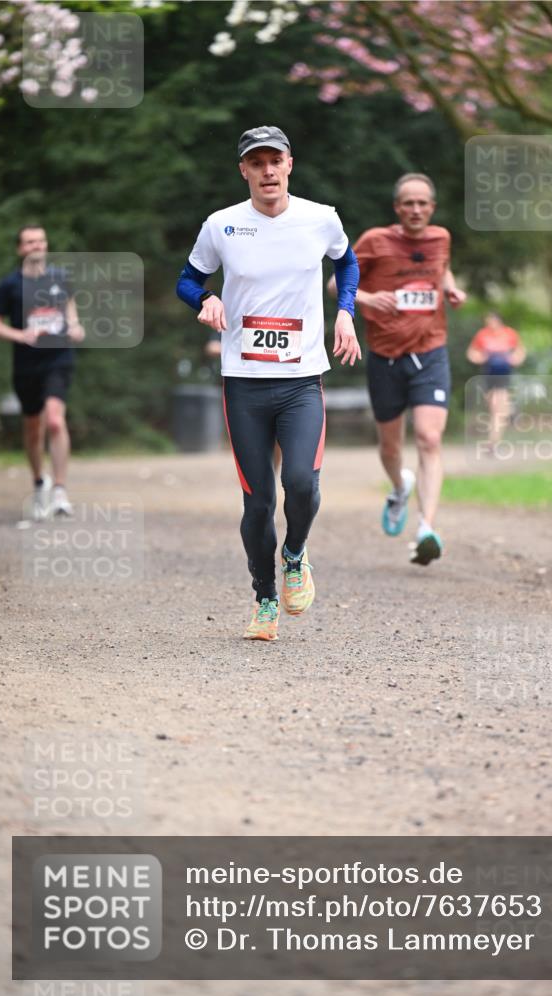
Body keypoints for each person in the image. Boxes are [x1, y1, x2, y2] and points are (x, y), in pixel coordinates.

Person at [176, 126, 360, 641]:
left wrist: (345, 312)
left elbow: (347, 263)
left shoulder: (320, 219)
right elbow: (187, 279)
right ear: (244, 171)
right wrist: (205, 300)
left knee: (301, 483)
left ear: (289, 164)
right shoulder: (222, 226)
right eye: (256, 163)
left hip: (302, 379)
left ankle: (295, 554)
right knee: (256, 502)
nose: (267, 171)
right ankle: (264, 598)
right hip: (245, 383)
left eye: (274, 160)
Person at [330, 173, 466, 566]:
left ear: (432, 208)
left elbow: (441, 270)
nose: (416, 209)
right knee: (390, 447)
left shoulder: (441, 238)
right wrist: (369, 300)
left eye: (423, 203)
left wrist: (449, 289)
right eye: (408, 203)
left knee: (429, 438)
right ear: (397, 208)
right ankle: (398, 487)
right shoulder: (374, 240)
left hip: (430, 352)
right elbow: (335, 282)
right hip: (385, 356)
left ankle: (426, 528)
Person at [0, 225, 85, 519]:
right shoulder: (9, 285)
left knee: (55, 421)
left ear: (46, 245)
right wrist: (18, 335)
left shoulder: (59, 278)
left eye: (40, 241)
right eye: (29, 242)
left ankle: (60, 491)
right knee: (33, 427)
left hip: (58, 358)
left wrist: (74, 325)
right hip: (26, 364)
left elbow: (69, 306)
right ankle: (38, 483)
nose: (36, 246)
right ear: (21, 249)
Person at [466, 312, 526, 454]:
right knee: (495, 407)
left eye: (492, 321)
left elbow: (520, 351)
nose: (490, 324)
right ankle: (511, 410)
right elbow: (471, 352)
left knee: (497, 409)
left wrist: (515, 359)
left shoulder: (509, 333)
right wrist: (479, 358)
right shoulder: (482, 335)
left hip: (503, 374)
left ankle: (492, 443)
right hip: (489, 374)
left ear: (498, 321)